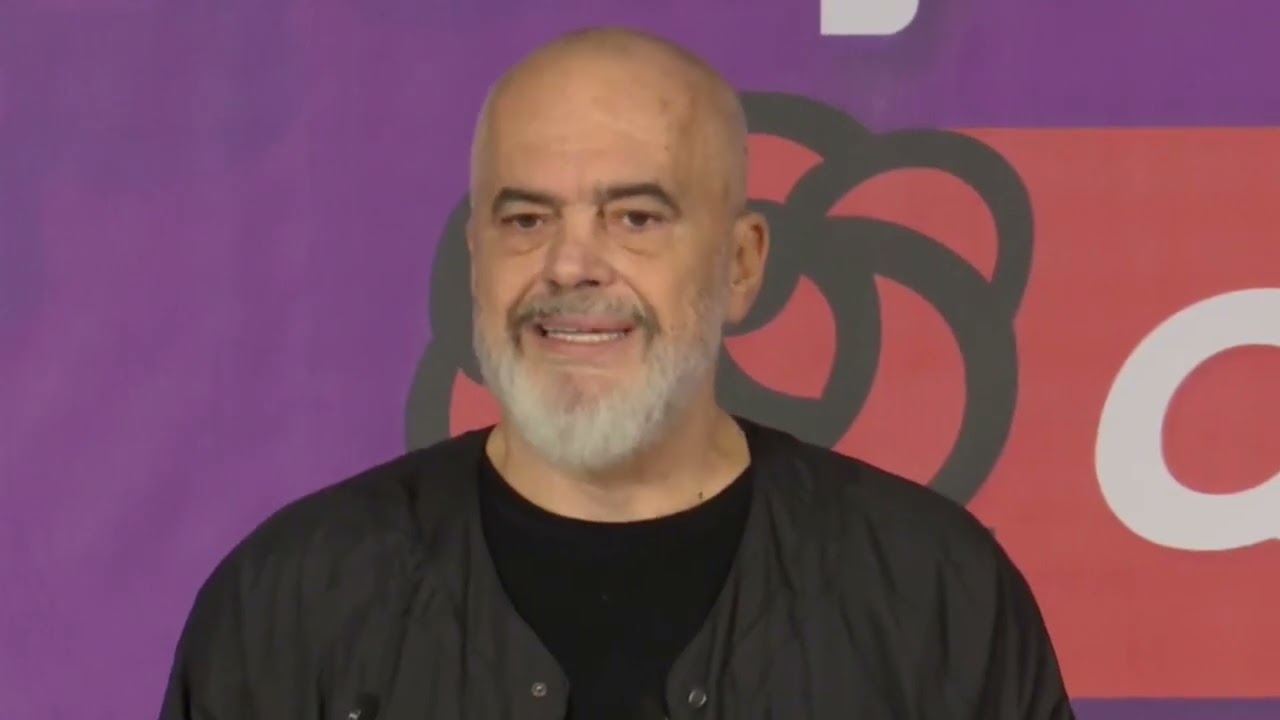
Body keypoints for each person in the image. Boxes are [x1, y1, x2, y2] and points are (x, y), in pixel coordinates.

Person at [159, 26, 1074, 720]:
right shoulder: (293, 600)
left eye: (636, 218)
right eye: (526, 220)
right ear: (476, 260)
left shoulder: (932, 595)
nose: (569, 265)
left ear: (742, 265)